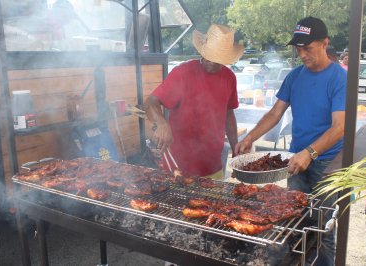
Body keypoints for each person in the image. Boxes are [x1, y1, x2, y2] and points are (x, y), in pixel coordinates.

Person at [235, 16, 347, 266]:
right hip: (296, 161)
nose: (302, 55)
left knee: (323, 229)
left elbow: (340, 127)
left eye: (307, 48)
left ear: (325, 43)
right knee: (294, 221)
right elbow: (275, 113)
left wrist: (310, 152)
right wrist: (250, 137)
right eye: (298, 49)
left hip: (327, 166)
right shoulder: (295, 76)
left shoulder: (339, 78)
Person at [144, 24, 244, 179]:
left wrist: (236, 151)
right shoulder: (182, 73)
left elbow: (229, 114)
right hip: (177, 167)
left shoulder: (229, 78)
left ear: (225, 59)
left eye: (216, 59)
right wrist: (162, 123)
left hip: (213, 166)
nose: (210, 62)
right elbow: (151, 102)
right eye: (208, 56)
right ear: (202, 51)